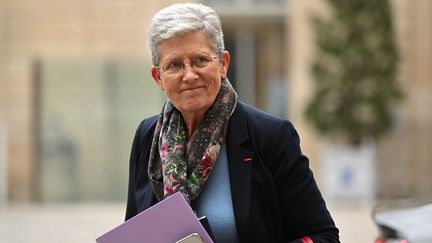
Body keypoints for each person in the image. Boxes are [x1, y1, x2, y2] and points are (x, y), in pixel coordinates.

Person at [125, 3, 339, 243]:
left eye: (200, 60)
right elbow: (134, 232)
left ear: (223, 64)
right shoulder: (147, 136)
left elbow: (324, 237)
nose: (189, 74)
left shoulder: (270, 136)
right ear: (158, 77)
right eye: (174, 65)